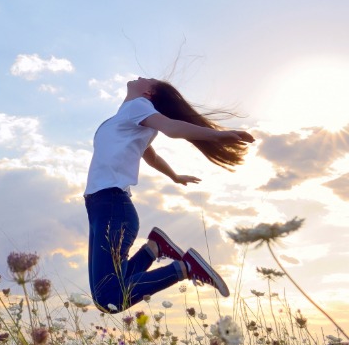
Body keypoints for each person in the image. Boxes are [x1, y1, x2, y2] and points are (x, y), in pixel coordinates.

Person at [84, 76, 254, 313]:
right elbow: (151, 157)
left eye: (149, 79)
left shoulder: (138, 107)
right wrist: (174, 176)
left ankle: (185, 267)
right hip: (100, 206)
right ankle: (154, 248)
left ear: (149, 93)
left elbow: (173, 129)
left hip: (111, 205)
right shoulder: (128, 117)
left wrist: (217, 135)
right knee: (111, 291)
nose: (142, 77)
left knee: (108, 298)